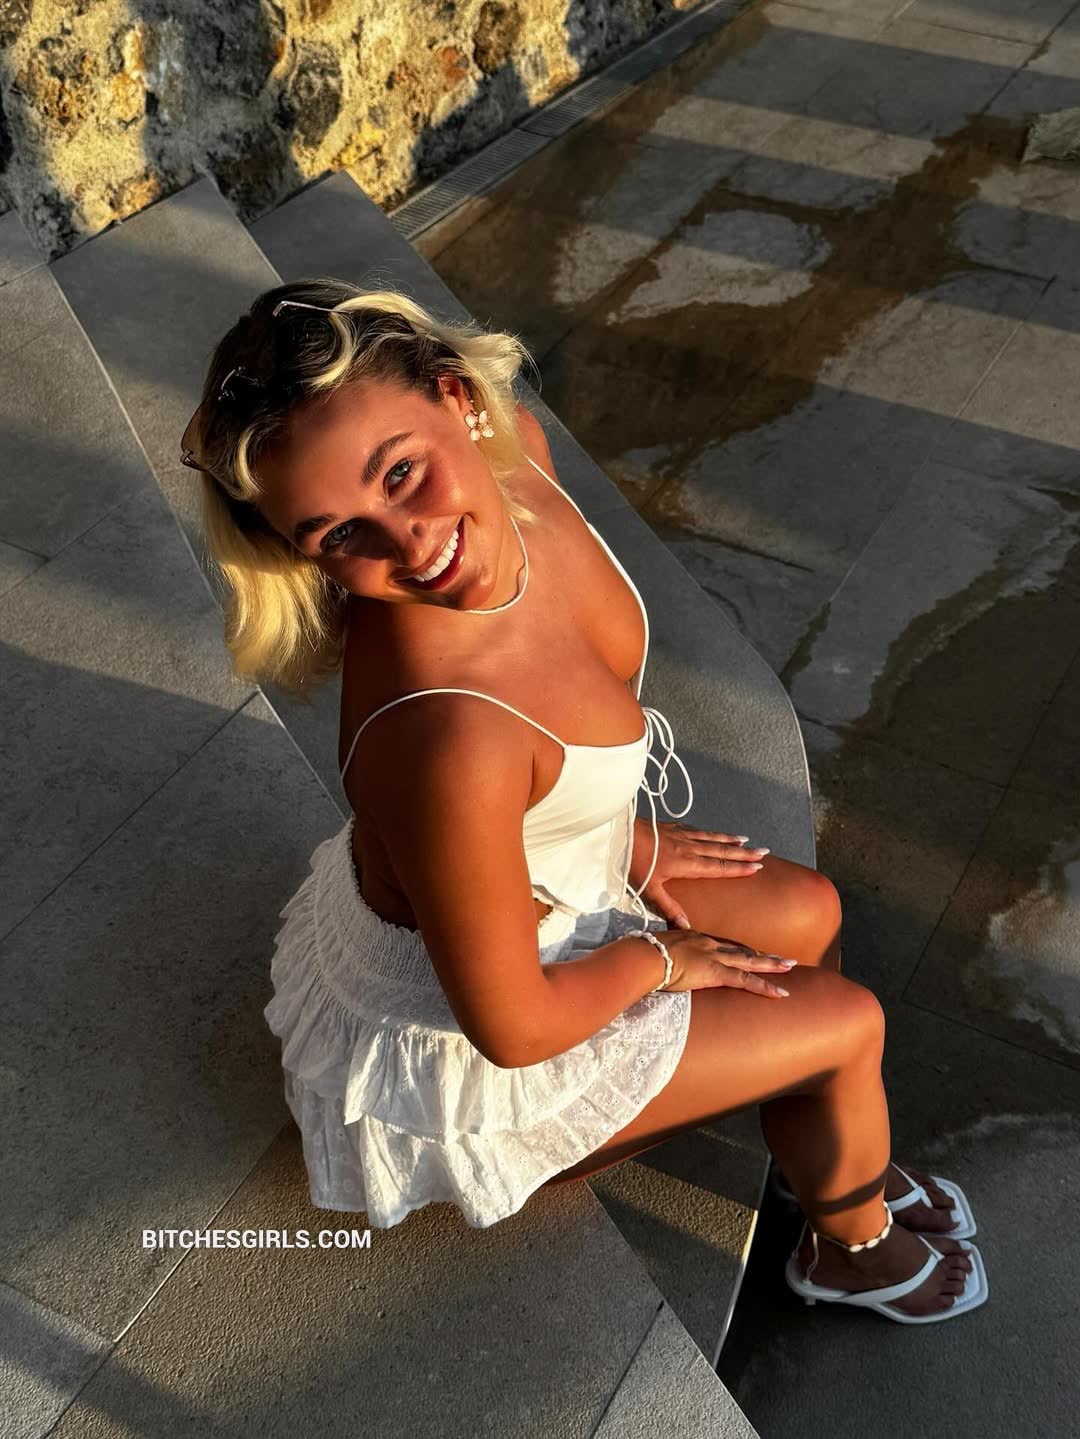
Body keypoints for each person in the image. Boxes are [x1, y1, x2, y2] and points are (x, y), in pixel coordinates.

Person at [180, 278, 988, 1324]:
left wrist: (619, 839)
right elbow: (514, 1028)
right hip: (475, 1048)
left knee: (811, 912)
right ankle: (852, 1243)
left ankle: (822, 1137)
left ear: (456, 397)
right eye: (340, 535)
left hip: (522, 880)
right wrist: (662, 960)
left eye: (403, 472)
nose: (409, 545)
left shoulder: (518, 452)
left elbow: (547, 711)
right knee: (848, 1025)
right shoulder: (444, 738)